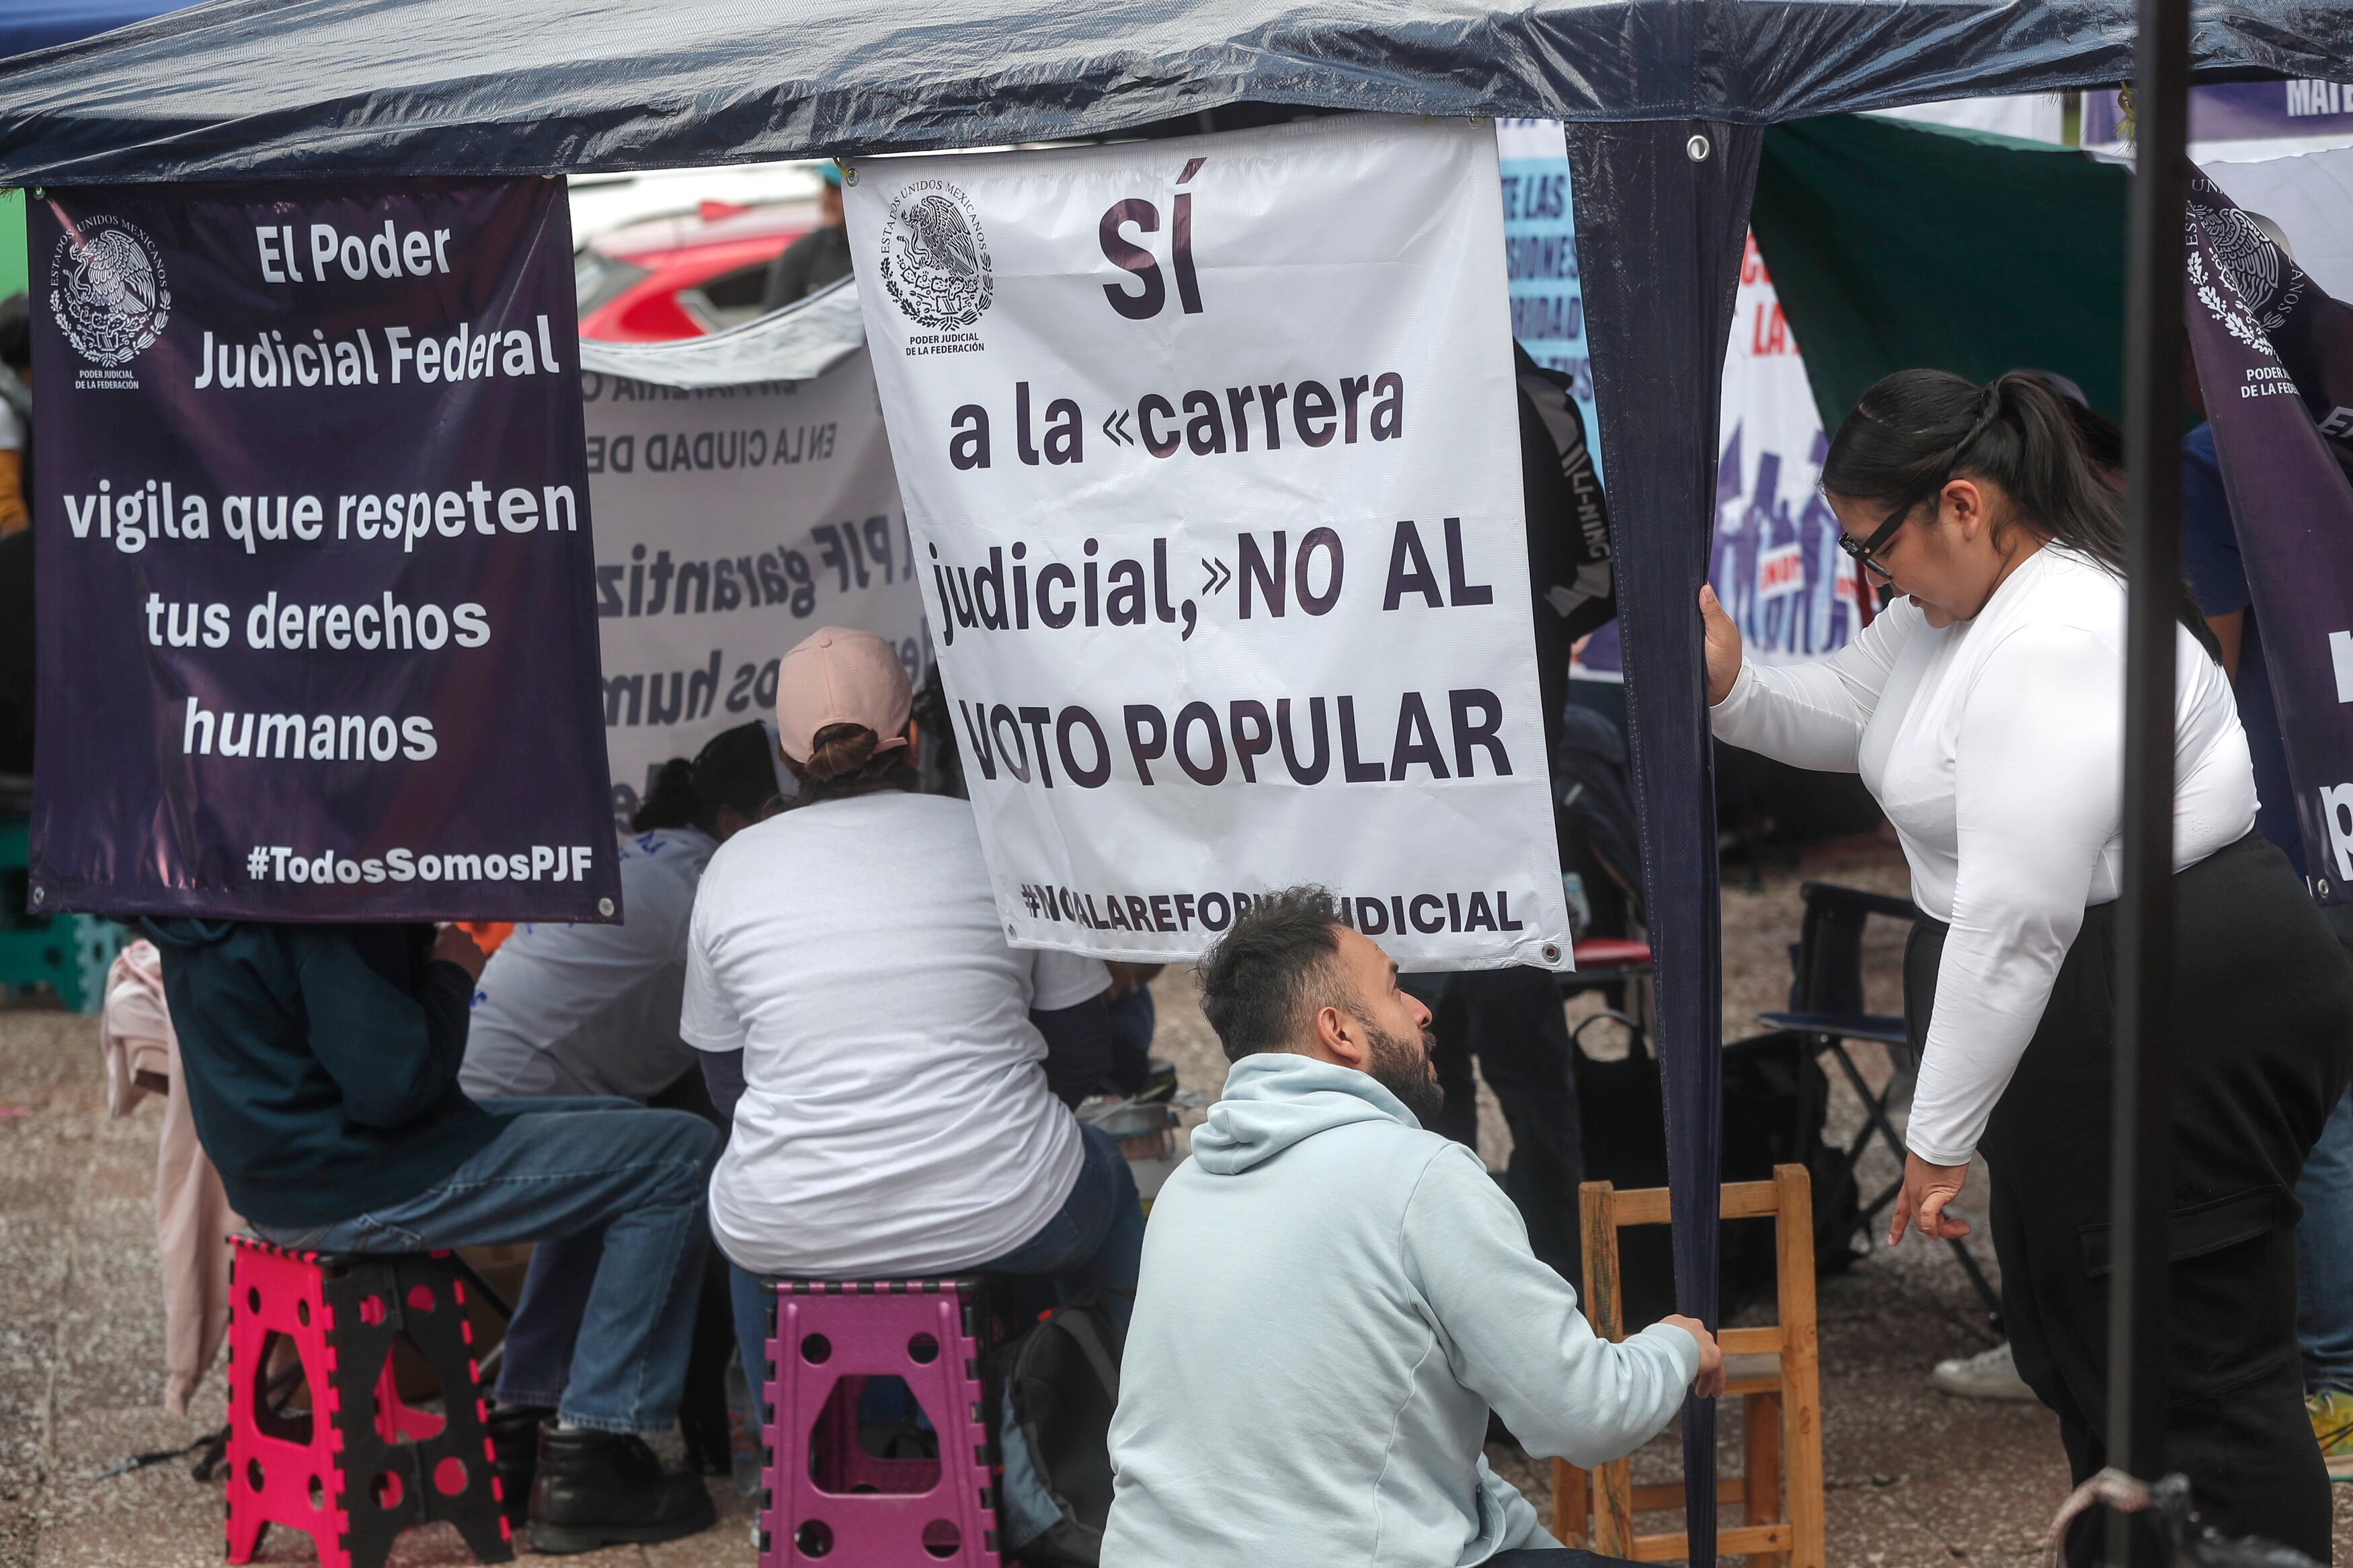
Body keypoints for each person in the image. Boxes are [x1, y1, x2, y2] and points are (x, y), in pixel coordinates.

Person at [1701, 368, 2353, 1561]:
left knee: (2196, 1368)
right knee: (2085, 1349)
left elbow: (2018, 915)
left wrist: (1938, 1132)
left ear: (1963, 503)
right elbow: (1852, 709)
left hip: (2170, 999)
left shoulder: (2055, 631)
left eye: (1876, 549)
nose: (1873, 581)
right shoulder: (1956, 610)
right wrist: (1732, 683)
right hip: (2094, 1002)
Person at [1102, 886, 1720, 1568]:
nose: (1424, 1009)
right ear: (1338, 1030)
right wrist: (1677, 1344)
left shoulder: (1187, 1185)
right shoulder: (1420, 1175)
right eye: (1395, 989)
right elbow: (1584, 1411)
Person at [144, 917, 723, 1553]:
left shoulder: (210, 896)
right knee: (680, 1155)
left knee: (624, 1134)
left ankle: (527, 1421)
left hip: (286, 1174)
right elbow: (394, 1089)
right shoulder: (317, 911)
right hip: (359, 1178)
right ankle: (593, 1455)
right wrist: (452, 973)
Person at [682, 628, 1137, 1436]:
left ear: (787, 759)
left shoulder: (732, 866)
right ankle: (1135, 1432)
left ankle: (794, 1463)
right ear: (914, 736)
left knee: (758, 1231)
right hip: (1008, 1205)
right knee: (1101, 1169)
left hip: (793, 1221)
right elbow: (1081, 1055)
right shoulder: (1001, 838)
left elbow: (726, 1088)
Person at [457, 720, 779, 1489]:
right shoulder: (707, 887)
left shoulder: (654, 860)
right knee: (678, 1165)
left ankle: (528, 1407)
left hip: (485, 1085)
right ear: (733, 822)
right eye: (786, 810)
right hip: (490, 1112)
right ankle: (597, 1437)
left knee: (632, 1154)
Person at [2177, 364, 2353, 1481]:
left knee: (2327, 1115)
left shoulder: (2220, 446)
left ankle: (2336, 1381)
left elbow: (2221, 653)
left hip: (2304, 813)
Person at [758, 161, 851, 313]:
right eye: (826, 186)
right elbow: (776, 323)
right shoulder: (802, 254)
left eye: (837, 188)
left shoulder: (883, 248)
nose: (827, 197)